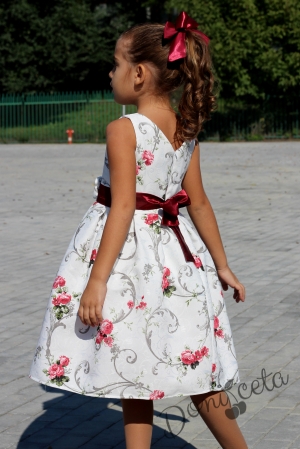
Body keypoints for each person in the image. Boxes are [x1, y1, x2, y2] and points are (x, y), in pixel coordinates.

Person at [30, 11, 248, 449]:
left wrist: (96, 280)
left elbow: (124, 205)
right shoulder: (186, 128)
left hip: (131, 265)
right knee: (152, 371)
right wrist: (222, 266)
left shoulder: (123, 129)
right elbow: (199, 203)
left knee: (139, 364)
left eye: (115, 63)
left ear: (141, 74)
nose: (111, 73)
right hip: (178, 262)